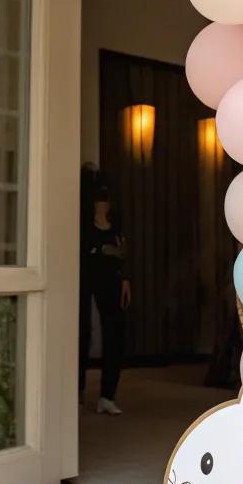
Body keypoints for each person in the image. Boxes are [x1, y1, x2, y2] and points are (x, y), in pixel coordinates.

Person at [79, 167, 131, 414]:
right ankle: (76, 391)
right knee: (81, 333)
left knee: (114, 333)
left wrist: (125, 278)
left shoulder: (116, 219)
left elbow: (122, 251)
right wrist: (103, 251)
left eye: (106, 198)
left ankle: (107, 395)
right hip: (84, 277)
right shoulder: (82, 221)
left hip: (111, 278)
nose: (103, 203)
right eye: (99, 198)